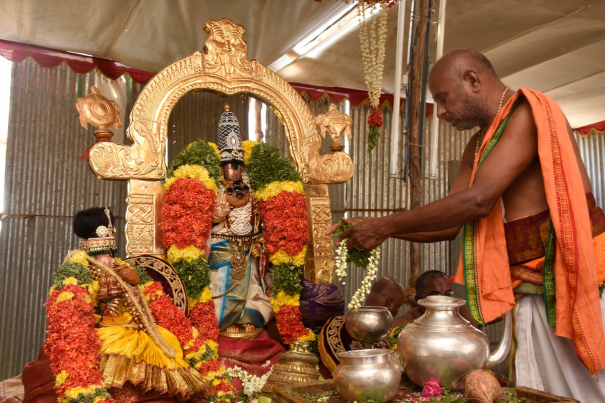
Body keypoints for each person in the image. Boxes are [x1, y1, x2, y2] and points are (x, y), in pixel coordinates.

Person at [331, 49, 605, 401]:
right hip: (533, 286)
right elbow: (449, 226)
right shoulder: (478, 145)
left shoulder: (527, 113)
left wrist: (383, 225)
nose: (441, 112)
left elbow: (479, 200)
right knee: (546, 392)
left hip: (581, 277)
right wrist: (378, 231)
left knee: (590, 389)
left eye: (443, 99)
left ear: (472, 80)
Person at [22, 207, 207, 403]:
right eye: (104, 256)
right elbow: (81, 317)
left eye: (111, 255)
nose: (110, 261)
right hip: (109, 334)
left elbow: (145, 304)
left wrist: (133, 282)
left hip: (140, 331)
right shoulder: (81, 272)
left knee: (169, 343)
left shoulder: (123, 268)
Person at [209, 106, 272, 339]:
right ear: (221, 165)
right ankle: (225, 322)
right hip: (222, 244)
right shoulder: (214, 185)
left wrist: (260, 235)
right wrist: (216, 216)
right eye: (229, 165)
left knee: (251, 285)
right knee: (223, 284)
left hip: (248, 246)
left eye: (237, 165)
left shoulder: (251, 186)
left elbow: (258, 215)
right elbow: (203, 220)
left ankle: (248, 319)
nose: (233, 171)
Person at [318, 277, 405, 374]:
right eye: (398, 306)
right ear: (389, 302)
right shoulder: (337, 328)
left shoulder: (381, 339)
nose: (397, 312)